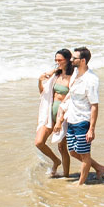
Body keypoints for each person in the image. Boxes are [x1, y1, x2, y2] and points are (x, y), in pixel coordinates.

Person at [59, 46, 104, 184]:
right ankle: (99, 168)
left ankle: (81, 184)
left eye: (74, 58)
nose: (71, 60)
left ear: (82, 61)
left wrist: (91, 129)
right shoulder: (76, 72)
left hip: (83, 121)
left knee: (85, 154)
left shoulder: (91, 80)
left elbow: (94, 105)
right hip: (72, 118)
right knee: (73, 151)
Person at [34, 48, 73, 177]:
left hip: (63, 116)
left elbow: (71, 100)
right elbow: (43, 93)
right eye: (56, 60)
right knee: (39, 142)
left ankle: (66, 175)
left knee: (62, 148)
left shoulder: (72, 78)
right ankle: (56, 161)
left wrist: (60, 121)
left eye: (60, 60)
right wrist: (40, 81)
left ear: (68, 59)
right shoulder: (55, 75)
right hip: (49, 114)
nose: (57, 62)